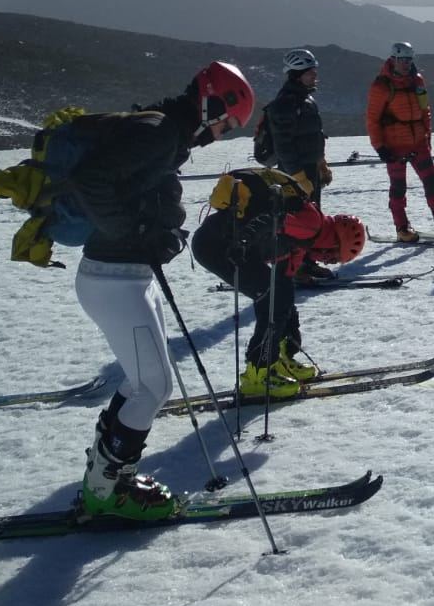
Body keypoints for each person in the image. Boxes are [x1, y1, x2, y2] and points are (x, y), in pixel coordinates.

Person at [69, 61, 255, 519]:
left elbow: (132, 191)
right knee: (152, 386)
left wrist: (148, 231)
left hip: (128, 276)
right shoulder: (158, 131)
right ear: (213, 104)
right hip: (112, 278)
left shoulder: (167, 133)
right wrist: (131, 232)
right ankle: (108, 491)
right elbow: (89, 179)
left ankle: (105, 476)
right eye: (227, 124)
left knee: (147, 383)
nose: (222, 134)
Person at [190, 168, 364, 397]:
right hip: (219, 247)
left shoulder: (306, 238)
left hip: (228, 244)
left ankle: (279, 360)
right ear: (333, 242)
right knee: (271, 298)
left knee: (281, 295)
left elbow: (285, 279)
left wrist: (290, 337)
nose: (326, 261)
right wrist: (246, 239)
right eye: (332, 257)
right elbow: (272, 221)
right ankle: (257, 375)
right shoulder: (311, 225)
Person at [366, 43, 434, 243]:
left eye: (409, 60)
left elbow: (425, 111)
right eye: (402, 60)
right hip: (394, 145)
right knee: (398, 189)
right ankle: (402, 228)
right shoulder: (381, 86)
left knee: (433, 185)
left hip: (418, 143)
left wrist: (427, 137)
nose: (406, 64)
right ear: (393, 60)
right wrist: (379, 147)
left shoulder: (417, 81)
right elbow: (372, 119)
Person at [268, 48, 335, 281]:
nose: (315, 76)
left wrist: (321, 164)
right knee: (298, 221)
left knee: (312, 219)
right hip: (294, 173)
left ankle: (307, 262)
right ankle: (294, 268)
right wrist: (297, 176)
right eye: (310, 72)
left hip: (309, 168)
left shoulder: (306, 99)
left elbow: (313, 135)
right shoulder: (286, 103)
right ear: (297, 74)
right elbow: (283, 145)